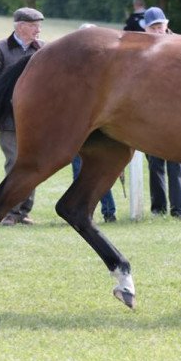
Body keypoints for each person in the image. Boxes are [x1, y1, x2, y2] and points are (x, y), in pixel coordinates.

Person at [0, 7, 45, 226]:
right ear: (20, 26)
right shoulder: (1, 49)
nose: (38, 29)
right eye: (34, 25)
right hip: (8, 120)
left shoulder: (43, 50)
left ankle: (24, 211)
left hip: (35, 121)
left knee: (33, 164)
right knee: (15, 163)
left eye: (39, 25)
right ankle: (10, 211)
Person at [143, 6, 181, 221]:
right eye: (153, 27)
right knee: (154, 163)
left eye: (160, 26)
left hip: (177, 114)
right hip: (150, 114)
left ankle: (180, 209)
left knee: (177, 161)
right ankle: (158, 208)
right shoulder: (140, 49)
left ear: (167, 25)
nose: (158, 30)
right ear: (146, 29)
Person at [71, 23, 117, 222]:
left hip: (95, 127)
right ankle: (84, 211)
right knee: (81, 172)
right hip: (78, 129)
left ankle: (107, 211)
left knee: (97, 172)